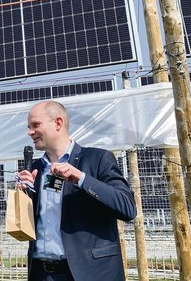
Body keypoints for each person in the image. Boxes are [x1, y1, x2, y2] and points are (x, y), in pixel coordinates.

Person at [17, 100, 136, 281]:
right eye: (28, 127)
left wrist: (82, 179)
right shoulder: (35, 169)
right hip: (41, 273)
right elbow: (29, 224)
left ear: (58, 123)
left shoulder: (98, 159)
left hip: (89, 272)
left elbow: (127, 208)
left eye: (35, 125)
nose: (30, 132)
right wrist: (23, 195)